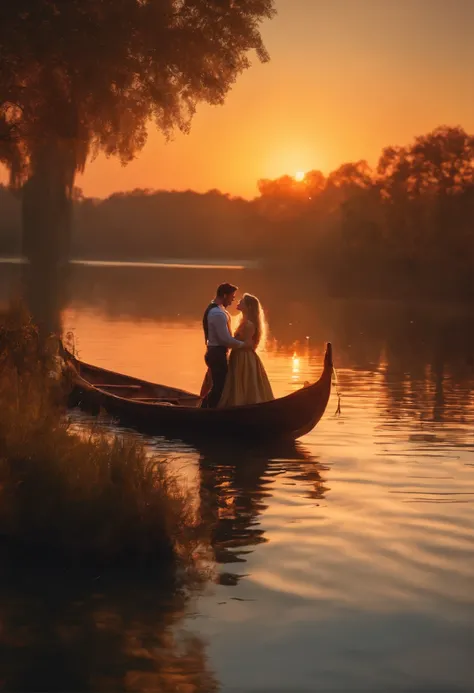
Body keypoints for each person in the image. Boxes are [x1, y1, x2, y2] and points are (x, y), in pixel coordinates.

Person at [218, 292, 274, 408]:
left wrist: (228, 341)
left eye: (242, 301)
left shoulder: (248, 324)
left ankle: (239, 407)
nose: (239, 302)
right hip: (241, 356)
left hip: (243, 358)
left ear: (248, 307)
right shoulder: (243, 322)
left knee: (242, 382)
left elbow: (247, 344)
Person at [201, 282, 249, 408]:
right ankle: (205, 411)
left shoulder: (219, 311)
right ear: (224, 295)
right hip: (217, 354)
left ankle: (206, 409)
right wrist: (243, 345)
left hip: (216, 353)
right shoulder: (217, 313)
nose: (233, 300)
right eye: (232, 296)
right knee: (220, 387)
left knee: (220, 386)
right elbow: (225, 340)